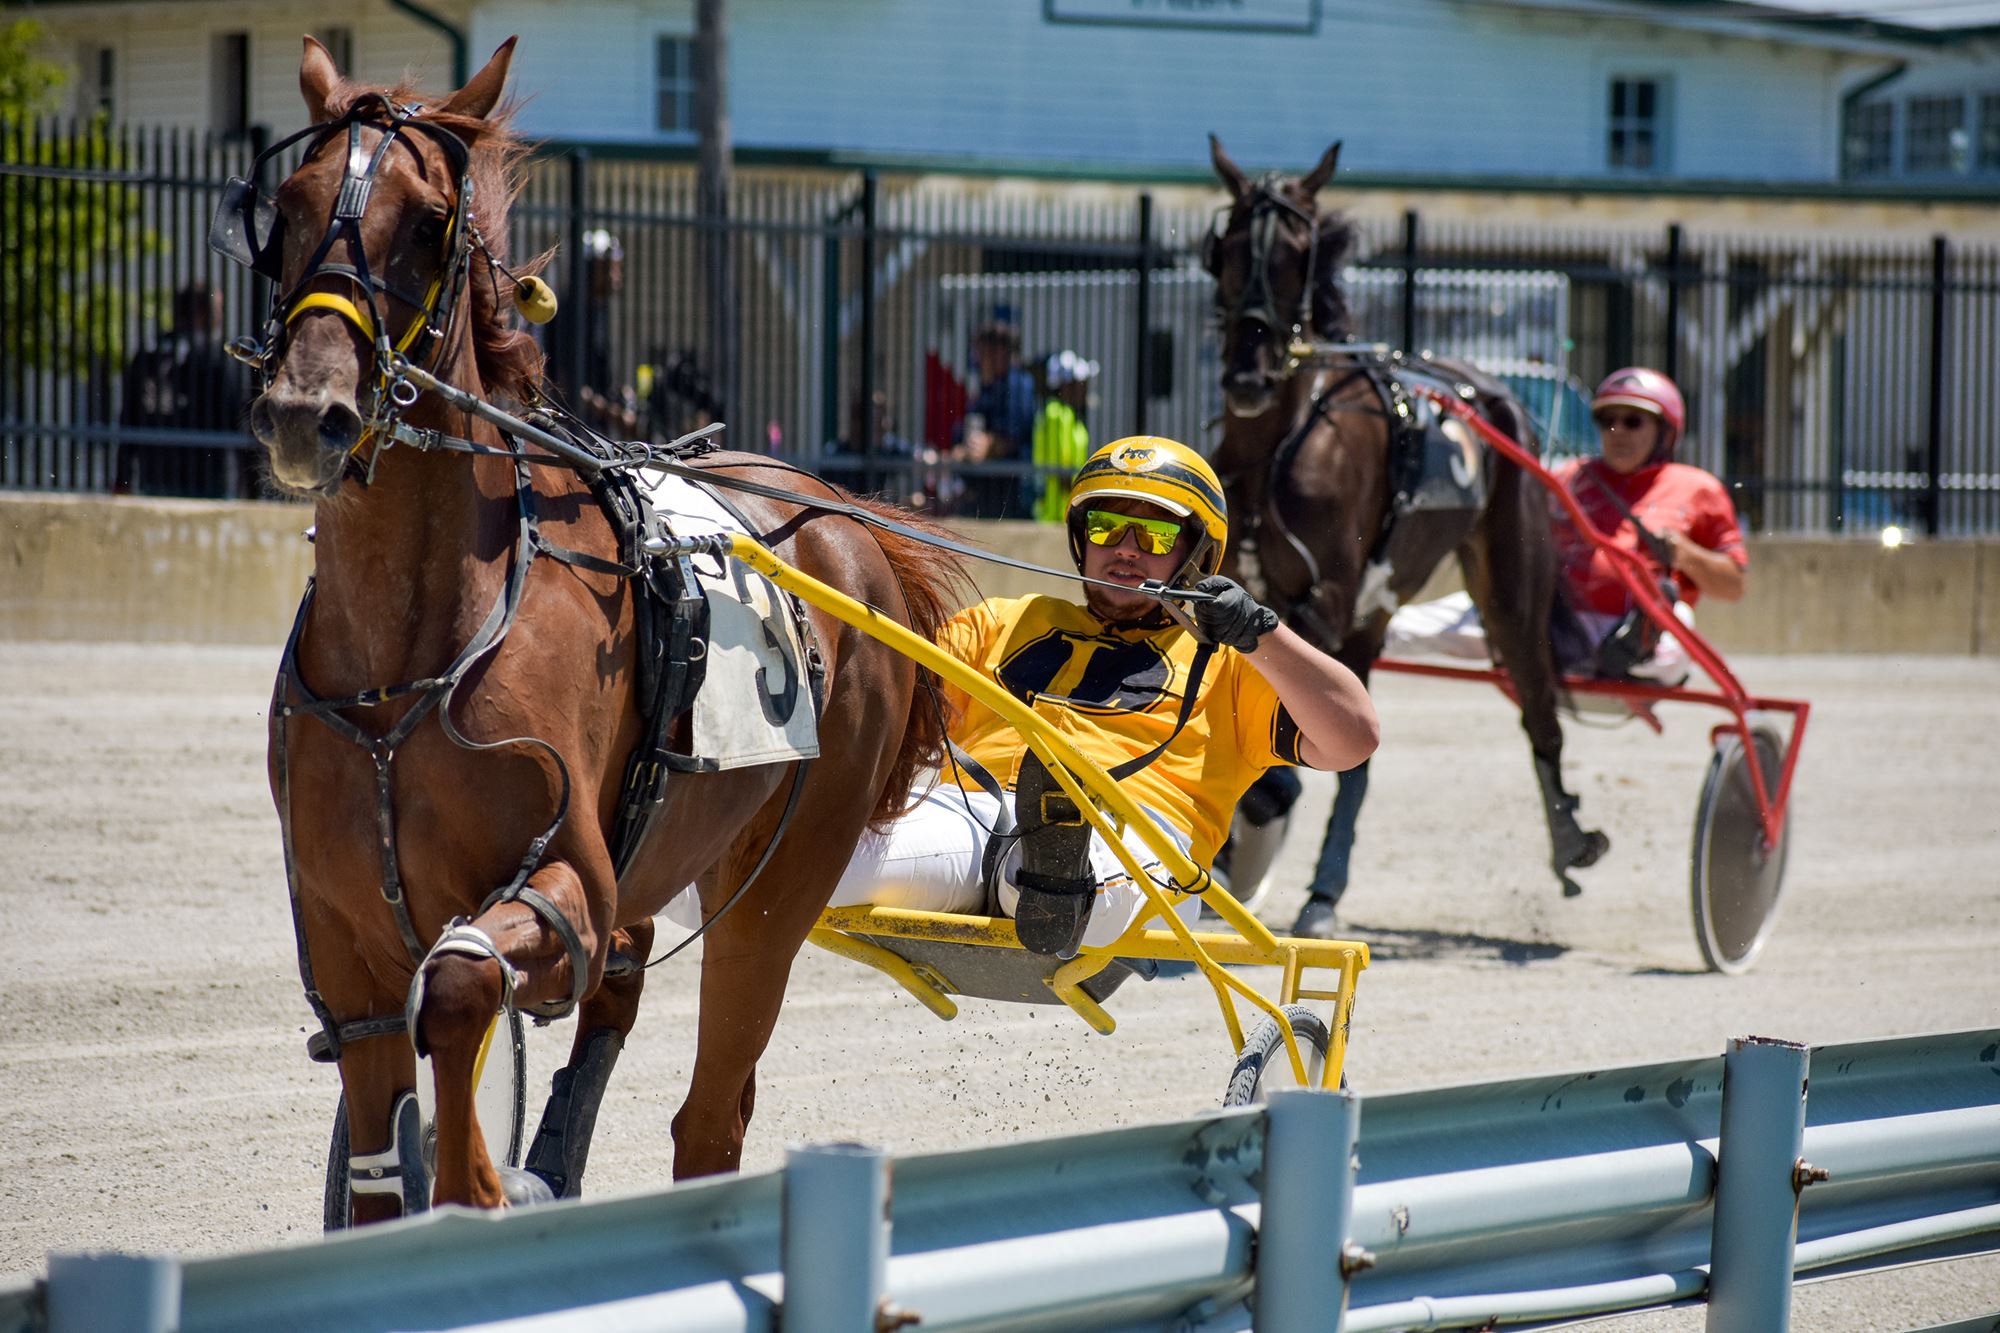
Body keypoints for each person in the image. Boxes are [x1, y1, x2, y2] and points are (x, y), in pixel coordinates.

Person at [829, 436, 1379, 960]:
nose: (1126, 550)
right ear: (1080, 537)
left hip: (1139, 839)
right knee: (816, 862)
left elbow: (1352, 739)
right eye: (1107, 527)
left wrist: (1261, 631)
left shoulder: (1233, 663)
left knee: (1055, 874)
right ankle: (1035, 871)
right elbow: (880, 702)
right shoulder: (1000, 621)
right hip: (974, 817)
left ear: (1197, 554)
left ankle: (1047, 870)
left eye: (1155, 537)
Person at [1382, 366, 1748, 686]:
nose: (1618, 431)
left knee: (1678, 618)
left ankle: (1629, 652)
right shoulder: (1568, 478)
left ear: (1665, 432)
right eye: (1608, 420)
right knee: (1395, 627)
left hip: (1629, 625)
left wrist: (1686, 555)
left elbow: (1733, 586)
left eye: (1633, 421)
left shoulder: (1698, 488)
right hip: (1544, 619)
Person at [117, 281, 252, 498]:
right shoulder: (215, 357)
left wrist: (121, 478)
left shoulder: (148, 353)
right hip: (204, 477)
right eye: (218, 310)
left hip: (154, 474)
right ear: (201, 313)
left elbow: (128, 417)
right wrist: (249, 487)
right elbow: (238, 418)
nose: (221, 316)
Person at [957, 320, 1038, 519]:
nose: (979, 358)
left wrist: (989, 445)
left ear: (1002, 351)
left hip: (1011, 497)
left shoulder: (1019, 385)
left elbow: (1014, 437)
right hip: (984, 497)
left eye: (985, 351)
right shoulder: (984, 388)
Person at [1031, 349, 1097, 523]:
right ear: (1066, 385)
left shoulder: (1069, 414)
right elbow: (1062, 467)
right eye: (1080, 383)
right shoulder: (1056, 413)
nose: (1085, 389)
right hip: (1055, 511)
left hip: (1065, 508)